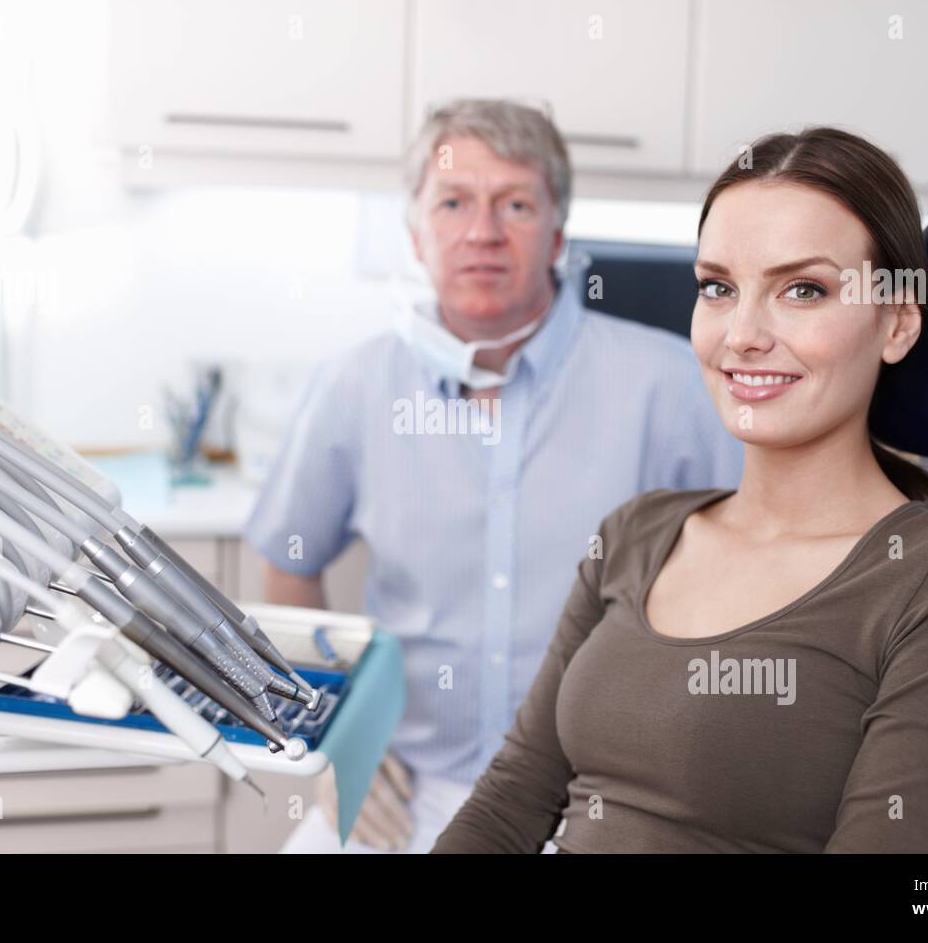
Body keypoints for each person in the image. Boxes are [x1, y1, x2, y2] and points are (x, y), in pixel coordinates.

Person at [432, 127, 928, 853]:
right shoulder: (636, 533)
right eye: (718, 288)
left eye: (803, 290)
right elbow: (510, 803)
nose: (743, 334)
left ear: (897, 324)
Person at [243, 99, 744, 852]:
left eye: (515, 203)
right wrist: (332, 736)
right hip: (406, 786)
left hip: (598, 796)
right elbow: (288, 564)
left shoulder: (671, 383)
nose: (483, 232)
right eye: (453, 202)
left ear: (558, 233)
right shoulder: (353, 386)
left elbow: (754, 571)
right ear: (415, 232)